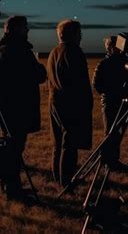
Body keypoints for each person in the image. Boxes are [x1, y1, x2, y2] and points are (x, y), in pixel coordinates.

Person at [0, 15, 47, 199]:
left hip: (2, 108)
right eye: (25, 28)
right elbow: (36, 76)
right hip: (18, 109)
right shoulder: (19, 49)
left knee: (8, 147)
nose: (28, 31)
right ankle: (13, 190)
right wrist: (40, 68)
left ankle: (6, 185)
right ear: (16, 30)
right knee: (15, 150)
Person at [48, 19, 93, 187]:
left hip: (56, 101)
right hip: (71, 104)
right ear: (73, 34)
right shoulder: (74, 52)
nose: (81, 37)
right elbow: (80, 82)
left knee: (58, 143)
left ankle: (58, 177)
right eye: (79, 33)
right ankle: (67, 181)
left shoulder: (54, 52)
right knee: (69, 145)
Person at [92, 36, 128, 168]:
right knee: (110, 133)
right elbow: (96, 84)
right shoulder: (104, 64)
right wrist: (109, 92)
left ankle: (111, 160)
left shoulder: (125, 63)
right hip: (110, 103)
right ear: (110, 47)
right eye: (116, 45)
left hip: (123, 102)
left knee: (118, 132)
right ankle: (107, 160)